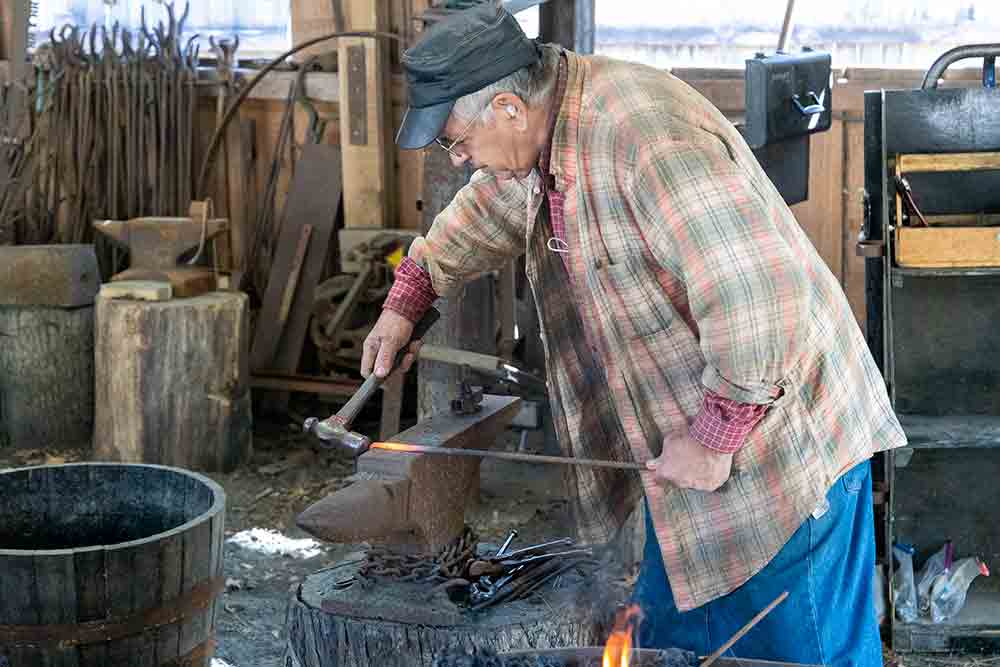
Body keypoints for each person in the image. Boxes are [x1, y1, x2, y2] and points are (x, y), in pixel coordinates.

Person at [359, 4, 906, 664]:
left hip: (781, 455)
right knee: (668, 648)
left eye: (456, 139)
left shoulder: (643, 136)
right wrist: (412, 292)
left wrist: (713, 436)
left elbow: (757, 295)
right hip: (693, 461)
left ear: (506, 107)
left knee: (799, 654)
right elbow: (491, 204)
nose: (461, 156)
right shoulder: (544, 132)